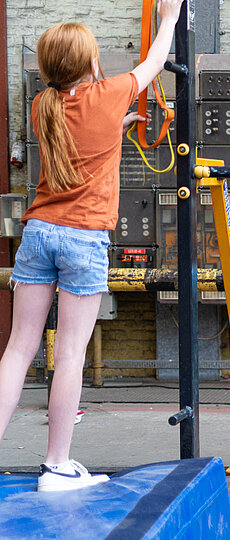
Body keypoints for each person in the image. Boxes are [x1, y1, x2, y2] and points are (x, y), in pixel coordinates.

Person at [0, 0, 183, 492]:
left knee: (18, 350)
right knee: (70, 355)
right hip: (83, 239)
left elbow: (76, 137)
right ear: (90, 61)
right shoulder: (109, 92)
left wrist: (114, 128)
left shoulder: (43, 106)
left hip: (38, 232)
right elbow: (156, 61)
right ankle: (56, 465)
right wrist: (168, 18)